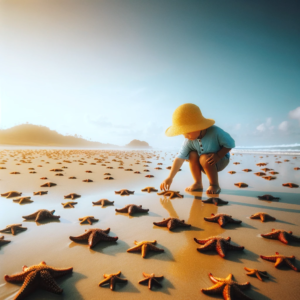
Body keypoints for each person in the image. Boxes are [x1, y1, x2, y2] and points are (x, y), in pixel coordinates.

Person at [160, 103, 235, 195]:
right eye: (182, 133)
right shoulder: (188, 141)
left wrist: (218, 155)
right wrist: (170, 178)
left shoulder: (215, 131)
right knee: (192, 154)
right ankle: (198, 183)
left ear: (199, 126)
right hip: (202, 163)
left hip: (220, 160)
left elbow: (230, 143)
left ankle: (214, 184)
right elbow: (180, 158)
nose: (185, 136)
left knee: (204, 157)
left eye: (188, 131)